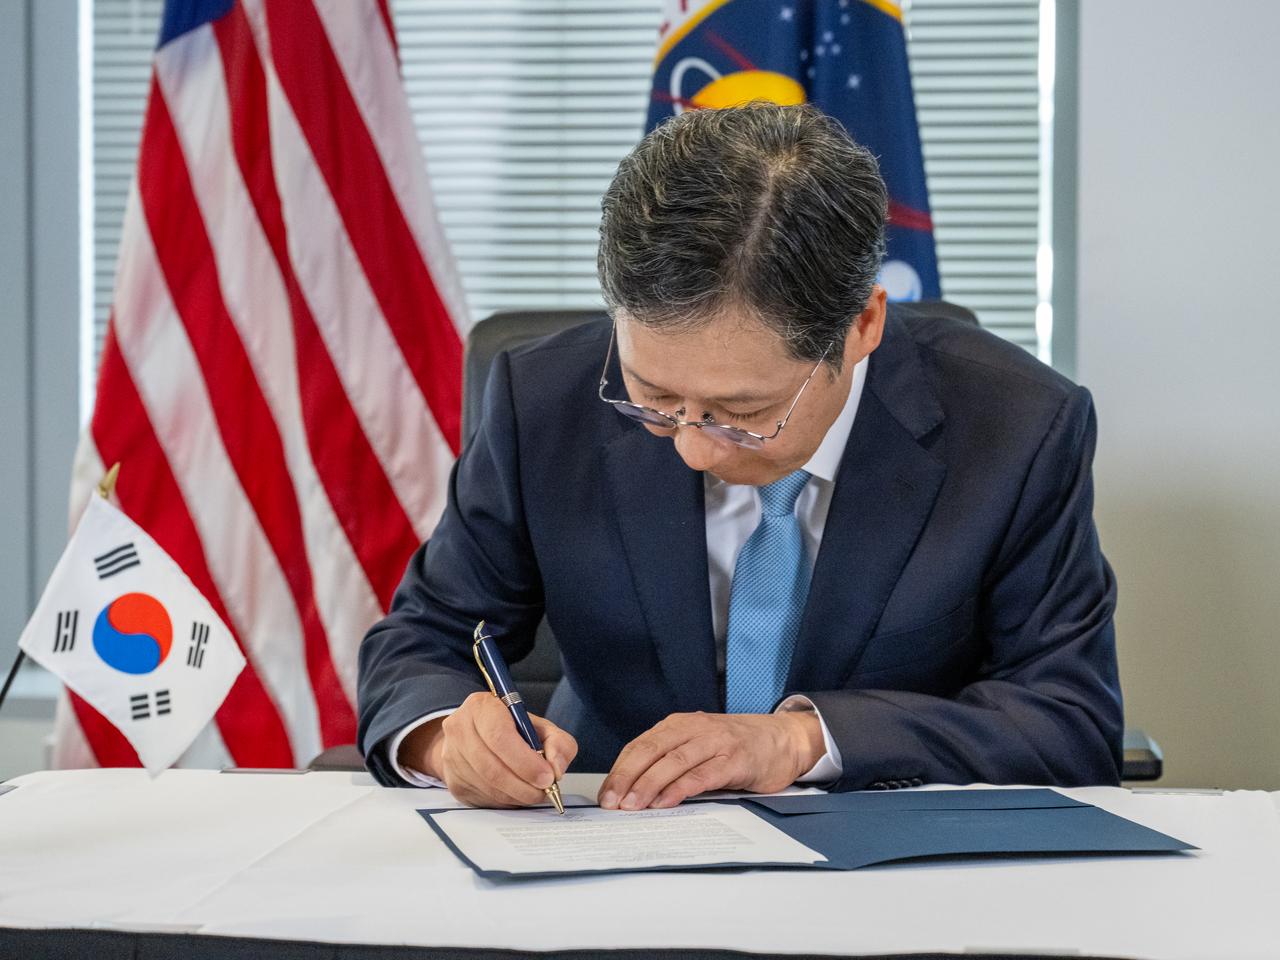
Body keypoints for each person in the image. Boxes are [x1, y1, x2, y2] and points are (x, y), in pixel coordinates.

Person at [357, 102, 1123, 810]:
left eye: (744, 414)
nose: (691, 447)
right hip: (605, 841)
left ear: (862, 327)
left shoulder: (1018, 426)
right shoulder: (543, 400)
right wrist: (447, 734)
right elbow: (425, 637)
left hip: (880, 861)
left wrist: (801, 739)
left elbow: (1069, 719)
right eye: (653, 397)